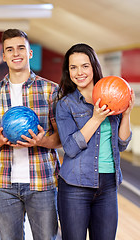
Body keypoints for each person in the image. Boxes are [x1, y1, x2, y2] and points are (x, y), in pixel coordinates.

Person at [0, 28, 61, 240]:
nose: (16, 53)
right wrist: (0, 140)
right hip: (4, 185)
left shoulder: (51, 90)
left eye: (21, 48)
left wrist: (42, 141)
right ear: (3, 56)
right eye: (10, 49)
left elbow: (60, 139)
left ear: (30, 53)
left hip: (43, 182)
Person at [55, 43, 134, 240]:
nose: (79, 72)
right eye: (73, 67)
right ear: (68, 71)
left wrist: (126, 114)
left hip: (108, 185)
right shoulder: (66, 104)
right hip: (75, 186)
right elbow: (70, 148)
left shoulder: (111, 97)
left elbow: (122, 144)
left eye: (84, 66)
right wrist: (96, 118)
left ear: (94, 67)